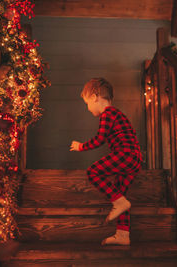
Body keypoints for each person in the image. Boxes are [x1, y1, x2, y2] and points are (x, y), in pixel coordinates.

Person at [70, 78, 142, 246]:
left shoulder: (108, 113)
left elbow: (99, 139)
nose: (87, 108)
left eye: (87, 102)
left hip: (126, 155)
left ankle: (119, 202)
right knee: (120, 194)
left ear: (95, 97)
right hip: (134, 158)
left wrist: (81, 146)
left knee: (93, 172)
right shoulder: (116, 114)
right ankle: (123, 234)